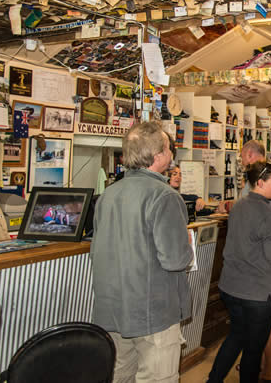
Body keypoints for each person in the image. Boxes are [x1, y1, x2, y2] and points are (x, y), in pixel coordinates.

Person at [91, 122, 192, 383]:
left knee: (120, 375)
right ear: (158, 156)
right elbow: (175, 260)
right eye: (169, 148)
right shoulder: (165, 196)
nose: (171, 153)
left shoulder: (107, 196)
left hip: (114, 311)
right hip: (153, 314)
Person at [206, 162, 271, 383]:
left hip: (231, 287)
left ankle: (213, 380)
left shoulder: (238, 206)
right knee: (253, 350)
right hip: (258, 294)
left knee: (236, 337)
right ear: (260, 183)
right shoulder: (268, 214)